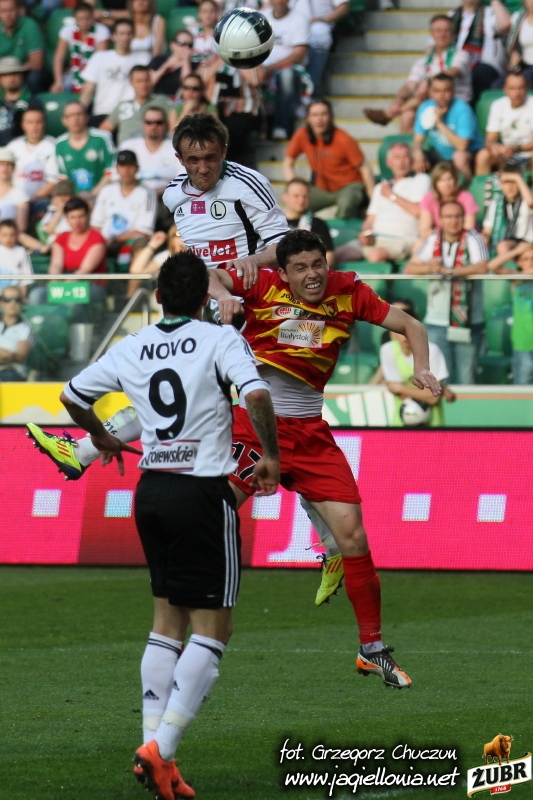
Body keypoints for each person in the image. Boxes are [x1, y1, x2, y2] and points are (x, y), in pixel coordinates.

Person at [28, 230, 442, 690]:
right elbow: (206, 275)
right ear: (283, 272)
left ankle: (371, 649)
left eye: (318, 265)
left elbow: (413, 326)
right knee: (209, 511)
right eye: (300, 268)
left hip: (311, 434)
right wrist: (225, 295)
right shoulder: (261, 284)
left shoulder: (350, 292)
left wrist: (422, 367)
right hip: (255, 425)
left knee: (355, 537)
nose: (312, 275)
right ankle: (179, 620)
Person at [46, 251, 280, 800]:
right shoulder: (220, 339)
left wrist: (100, 436)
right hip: (201, 492)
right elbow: (257, 394)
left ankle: (153, 754)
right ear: (204, 297)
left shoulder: (133, 345)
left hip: (150, 491)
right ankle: (163, 749)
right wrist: (270, 455)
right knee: (214, 630)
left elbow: (72, 395)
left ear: (157, 297)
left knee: (166, 624)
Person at [162, 113, 290, 317]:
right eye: (193, 160)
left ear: (223, 151)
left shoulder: (247, 184)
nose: (203, 169)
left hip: (250, 301)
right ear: (180, 159)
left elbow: (286, 248)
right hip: (203, 300)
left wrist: (253, 260)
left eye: (210, 158)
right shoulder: (173, 194)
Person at [404, 199, 488, 384]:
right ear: (440, 219)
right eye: (448, 217)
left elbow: (482, 267)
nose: (453, 221)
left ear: (464, 218)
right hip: (437, 321)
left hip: (468, 321)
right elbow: (409, 268)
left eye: (457, 216)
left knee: (467, 378)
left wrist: (449, 271)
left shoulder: (473, 237)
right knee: (440, 379)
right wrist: (428, 267)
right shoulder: (433, 239)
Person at [364, 15, 472, 133]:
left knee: (430, 90)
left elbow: (452, 71)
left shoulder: (461, 54)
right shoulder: (425, 61)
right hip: (430, 101)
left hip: (455, 100)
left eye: (446, 31)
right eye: (438, 31)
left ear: (453, 34)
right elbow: (410, 85)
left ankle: (388, 115)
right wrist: (399, 99)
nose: (442, 34)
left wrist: (427, 82)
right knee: (408, 114)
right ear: (432, 34)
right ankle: (405, 141)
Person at [283, 99, 375, 219]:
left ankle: (342, 229)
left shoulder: (343, 138)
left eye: (324, 114)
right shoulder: (302, 135)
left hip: (349, 185)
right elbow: (287, 163)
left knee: (346, 204)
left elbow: (365, 168)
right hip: (322, 189)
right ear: (308, 118)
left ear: (331, 117)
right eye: (315, 115)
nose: (319, 120)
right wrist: (295, 186)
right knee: (296, 202)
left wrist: (373, 201)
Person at [348, 143, 430, 264]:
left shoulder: (422, 180)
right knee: (332, 256)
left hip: (402, 240)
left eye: (405, 157)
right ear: (389, 162)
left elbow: (418, 211)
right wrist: (366, 233)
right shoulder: (380, 187)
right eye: (397, 157)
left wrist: (391, 195)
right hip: (375, 239)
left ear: (412, 160)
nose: (401, 162)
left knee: (375, 255)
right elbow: (370, 219)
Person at [28, 197, 107, 313]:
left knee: (70, 300)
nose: (77, 221)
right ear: (67, 219)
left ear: (88, 216)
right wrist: (55, 280)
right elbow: (56, 264)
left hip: (90, 285)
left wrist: (64, 286)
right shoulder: (62, 238)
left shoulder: (97, 238)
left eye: (81, 216)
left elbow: (85, 270)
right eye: (72, 217)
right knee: (37, 295)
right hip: (64, 283)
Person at [380, 305, 456, 426]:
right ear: (393, 332)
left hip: (433, 425)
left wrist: (401, 388)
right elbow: (396, 391)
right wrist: (430, 392)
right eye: (400, 330)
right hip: (400, 424)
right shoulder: (388, 351)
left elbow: (433, 397)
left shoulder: (432, 351)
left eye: (410, 329)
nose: (405, 334)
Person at [90, 149, 156, 267]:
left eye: (130, 166)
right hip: (105, 240)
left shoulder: (147, 192)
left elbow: (145, 230)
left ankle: (136, 278)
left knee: (142, 243)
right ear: (117, 168)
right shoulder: (107, 190)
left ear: (137, 168)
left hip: (131, 240)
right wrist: (103, 241)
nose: (126, 170)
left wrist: (116, 239)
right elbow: (96, 224)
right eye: (122, 166)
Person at [79, 18, 150, 127]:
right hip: (103, 112)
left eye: (129, 33)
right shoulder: (99, 57)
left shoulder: (144, 58)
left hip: (131, 114)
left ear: (133, 36)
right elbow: (88, 90)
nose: (125, 37)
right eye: (121, 33)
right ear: (113, 36)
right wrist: (79, 112)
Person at [413, 73, 483, 181]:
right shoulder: (425, 107)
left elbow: (462, 146)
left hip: (469, 154)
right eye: (437, 91)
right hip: (441, 154)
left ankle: (467, 188)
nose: (441, 95)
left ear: (453, 91)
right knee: (412, 158)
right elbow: (418, 140)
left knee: (459, 157)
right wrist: (418, 152)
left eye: (446, 90)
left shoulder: (462, 110)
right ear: (431, 92)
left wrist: (440, 124)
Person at [257, 0, 311, 141]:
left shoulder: (300, 19)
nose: (279, 1)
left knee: (286, 75)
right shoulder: (261, 18)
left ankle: (281, 127)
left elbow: (299, 55)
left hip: (289, 68)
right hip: (261, 67)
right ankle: (257, 128)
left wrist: (269, 68)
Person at [449, 0, 510, 103]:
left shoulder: (490, 12)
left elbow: (505, 24)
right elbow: (433, 45)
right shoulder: (451, 16)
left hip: (485, 68)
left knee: (479, 73)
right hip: (456, 67)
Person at [100, 64, 176, 145]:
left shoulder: (163, 101)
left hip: (154, 148)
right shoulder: (123, 106)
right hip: (125, 150)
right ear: (131, 82)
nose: (143, 85)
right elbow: (103, 130)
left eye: (146, 80)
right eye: (139, 81)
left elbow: (173, 128)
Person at [475, 73, 533, 175]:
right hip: (506, 154)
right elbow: (490, 139)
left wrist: (517, 148)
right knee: (483, 155)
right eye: (512, 88)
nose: (517, 93)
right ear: (505, 89)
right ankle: (482, 184)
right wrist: (495, 147)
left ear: (527, 88)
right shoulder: (498, 105)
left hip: (528, 154)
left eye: (521, 88)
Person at [55, 101, 115, 200]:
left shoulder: (102, 138)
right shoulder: (59, 144)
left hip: (102, 196)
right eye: (71, 115)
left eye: (79, 114)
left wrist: (93, 194)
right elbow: (63, 178)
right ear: (64, 120)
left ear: (87, 117)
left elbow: (111, 171)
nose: (75, 119)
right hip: (73, 200)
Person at [8, 107, 59, 219]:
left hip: (40, 200)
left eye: (38, 122)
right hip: (14, 199)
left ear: (44, 124)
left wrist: (29, 200)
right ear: (23, 125)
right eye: (30, 122)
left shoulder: (54, 146)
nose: (34, 127)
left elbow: (53, 182)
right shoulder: (13, 147)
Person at [51, 1, 110, 94]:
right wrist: (58, 81)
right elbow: (59, 58)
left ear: (92, 17)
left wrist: (90, 80)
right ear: (75, 18)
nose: (84, 22)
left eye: (87, 18)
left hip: (95, 72)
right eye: (80, 19)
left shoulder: (102, 31)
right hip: (74, 71)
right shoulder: (67, 30)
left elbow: (100, 60)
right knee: (59, 88)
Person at [493, 245, 533, 384]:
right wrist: (517, 250)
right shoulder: (516, 279)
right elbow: (493, 266)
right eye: (526, 259)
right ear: (519, 262)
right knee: (522, 386)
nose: (530, 262)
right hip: (523, 343)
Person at [481, 163, 533, 267]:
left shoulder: (526, 199)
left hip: (528, 243)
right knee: (500, 245)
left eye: (513, 182)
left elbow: (531, 203)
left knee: (503, 246)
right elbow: (487, 229)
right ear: (500, 184)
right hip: (507, 243)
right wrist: (484, 236)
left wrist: (517, 178)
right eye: (506, 182)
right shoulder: (496, 203)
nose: (510, 186)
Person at [293, 0, 349, 96]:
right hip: (290, 29)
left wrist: (322, 20)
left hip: (319, 28)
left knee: (319, 33)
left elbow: (344, 7)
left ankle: (313, 88)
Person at [418, 161, 479, 242]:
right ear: (435, 183)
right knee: (420, 242)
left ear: (455, 180)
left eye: (450, 179)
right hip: (440, 237)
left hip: (464, 238)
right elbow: (424, 228)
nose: (447, 184)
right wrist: (430, 233)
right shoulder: (429, 198)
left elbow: (469, 227)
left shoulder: (466, 197)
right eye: (442, 180)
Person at [282, 178, 334, 267]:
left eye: (305, 196)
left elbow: (328, 255)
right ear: (285, 197)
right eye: (296, 196)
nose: (301, 200)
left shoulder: (318, 224)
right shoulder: (274, 223)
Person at [127, 224, 185, 298]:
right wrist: (152, 245)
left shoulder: (198, 256)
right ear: (171, 238)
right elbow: (136, 271)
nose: (183, 239)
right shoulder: (166, 256)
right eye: (179, 234)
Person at [0, 0, 45, 93]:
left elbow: (36, 63)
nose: (8, 15)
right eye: (3, 11)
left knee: (34, 77)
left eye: (11, 10)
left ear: (19, 10)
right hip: (2, 73)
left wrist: (14, 72)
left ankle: (29, 101)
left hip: (23, 73)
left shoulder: (30, 25)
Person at [149, 28, 195, 98]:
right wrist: (162, 70)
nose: (186, 48)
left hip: (177, 101)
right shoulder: (158, 60)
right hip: (156, 99)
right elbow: (147, 84)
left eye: (190, 45)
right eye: (182, 43)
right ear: (172, 45)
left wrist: (186, 61)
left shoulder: (193, 66)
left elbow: (187, 86)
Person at [0, 285, 33, 381]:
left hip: (12, 372)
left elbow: (20, 357)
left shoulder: (26, 328)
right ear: (1, 302)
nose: (12, 303)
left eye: (17, 300)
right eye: (7, 300)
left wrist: (6, 355)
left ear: (21, 303)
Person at [0, 57, 32, 148]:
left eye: (15, 74)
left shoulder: (32, 101)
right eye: (6, 75)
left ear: (22, 76)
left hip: (21, 148)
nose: (11, 78)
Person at [503, 0, 533, 91]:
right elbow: (511, 46)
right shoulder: (518, 18)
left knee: (522, 80)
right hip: (523, 66)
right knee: (497, 85)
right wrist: (513, 55)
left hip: (528, 73)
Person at [36, 179, 75, 246]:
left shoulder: (76, 209)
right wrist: (59, 211)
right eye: (59, 195)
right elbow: (49, 230)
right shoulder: (53, 211)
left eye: (66, 195)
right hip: (56, 242)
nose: (62, 198)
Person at [0, 218, 33, 296]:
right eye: (4, 235)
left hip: (15, 294)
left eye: (12, 235)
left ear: (17, 235)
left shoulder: (21, 252)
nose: (8, 238)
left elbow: (26, 279)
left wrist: (21, 297)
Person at [0, 146, 29, 232]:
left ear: (13, 168)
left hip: (8, 237)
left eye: (8, 165)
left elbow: (21, 227)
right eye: (1, 164)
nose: (5, 168)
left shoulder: (20, 194)